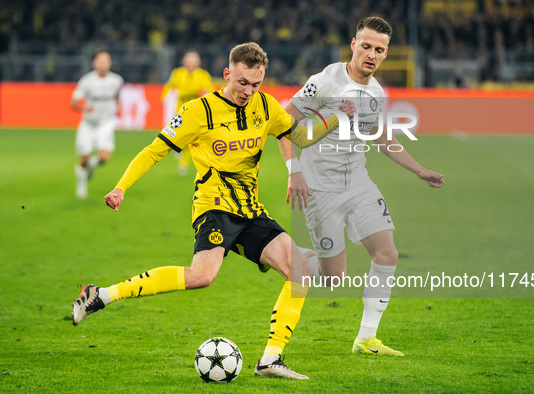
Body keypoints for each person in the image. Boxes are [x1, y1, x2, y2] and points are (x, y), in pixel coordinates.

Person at [71, 42, 354, 379]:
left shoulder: (264, 105)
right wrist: (121, 186)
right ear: (227, 74)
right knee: (202, 276)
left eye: (256, 84)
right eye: (242, 83)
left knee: (299, 272)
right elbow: (154, 150)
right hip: (214, 207)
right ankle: (100, 295)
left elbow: (300, 136)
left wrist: (335, 117)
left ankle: (270, 360)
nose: (248, 91)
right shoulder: (198, 111)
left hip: (250, 210)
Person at [279, 16, 445, 356]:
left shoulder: (376, 92)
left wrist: (419, 170)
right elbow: (284, 121)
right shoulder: (326, 79)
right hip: (319, 191)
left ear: (386, 54)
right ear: (353, 45)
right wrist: (293, 170)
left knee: (387, 253)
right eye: (366, 46)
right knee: (332, 278)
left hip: (358, 184)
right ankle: (287, 257)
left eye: (379, 50)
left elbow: (382, 137)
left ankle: (366, 338)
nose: (371, 54)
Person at [71, 50, 124, 198]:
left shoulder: (116, 80)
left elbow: (116, 94)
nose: (103, 63)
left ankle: (91, 167)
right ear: (94, 63)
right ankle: (81, 184)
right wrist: (84, 107)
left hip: (105, 123)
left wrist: (118, 106)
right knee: (84, 159)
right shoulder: (86, 81)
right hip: (88, 124)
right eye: (100, 60)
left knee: (104, 158)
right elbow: (73, 102)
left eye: (106, 60)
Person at [161, 50, 214, 175]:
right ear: (184, 61)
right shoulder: (177, 73)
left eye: (194, 60)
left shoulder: (203, 75)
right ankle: (179, 147)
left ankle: (183, 164)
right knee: (176, 136)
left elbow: (210, 91)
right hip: (179, 111)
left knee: (192, 138)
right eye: (189, 59)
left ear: (198, 62)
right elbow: (169, 86)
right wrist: (163, 98)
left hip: (195, 112)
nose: (191, 62)